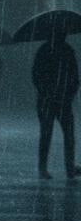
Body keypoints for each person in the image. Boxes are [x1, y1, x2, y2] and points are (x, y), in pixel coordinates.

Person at [32, 33, 80, 180]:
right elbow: (74, 75)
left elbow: (35, 74)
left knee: (46, 134)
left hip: (48, 99)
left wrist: (44, 91)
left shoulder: (44, 49)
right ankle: (69, 167)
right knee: (68, 134)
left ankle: (43, 168)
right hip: (62, 100)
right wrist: (69, 93)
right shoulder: (67, 50)